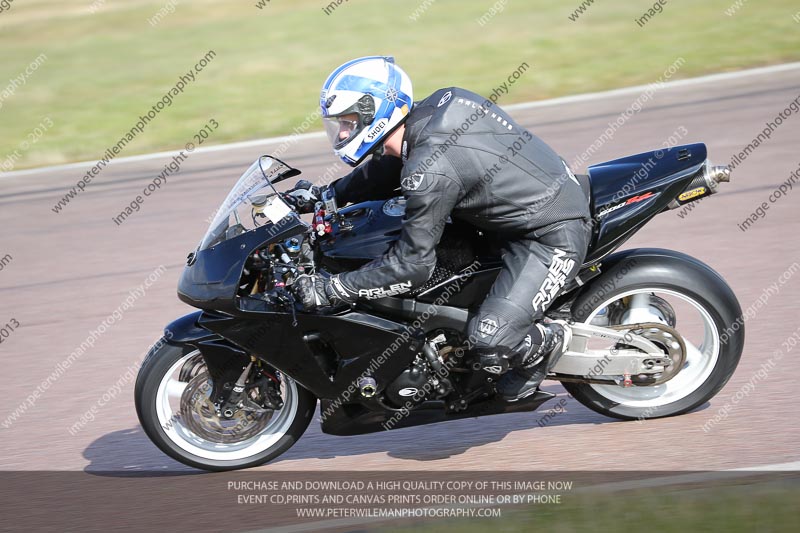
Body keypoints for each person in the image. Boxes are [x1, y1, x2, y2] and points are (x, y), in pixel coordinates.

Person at [292, 56, 591, 402]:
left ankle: (547, 342)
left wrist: (335, 289)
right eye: (339, 123)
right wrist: (328, 195)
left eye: (349, 121)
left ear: (378, 113)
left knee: (488, 341)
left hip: (548, 233)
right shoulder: (431, 113)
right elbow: (389, 165)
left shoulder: (429, 171)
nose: (342, 132)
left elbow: (412, 267)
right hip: (504, 217)